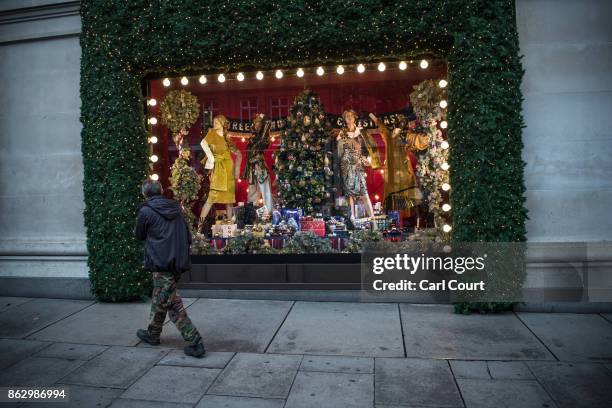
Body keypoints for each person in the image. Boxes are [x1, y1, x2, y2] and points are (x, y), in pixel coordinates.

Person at [134, 179, 206, 358]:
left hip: (160, 262)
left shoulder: (146, 211)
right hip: (176, 263)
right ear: (161, 191)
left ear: (145, 194)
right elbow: (187, 236)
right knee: (162, 297)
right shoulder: (176, 209)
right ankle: (153, 333)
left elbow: (138, 235)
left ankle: (195, 342)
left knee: (172, 304)